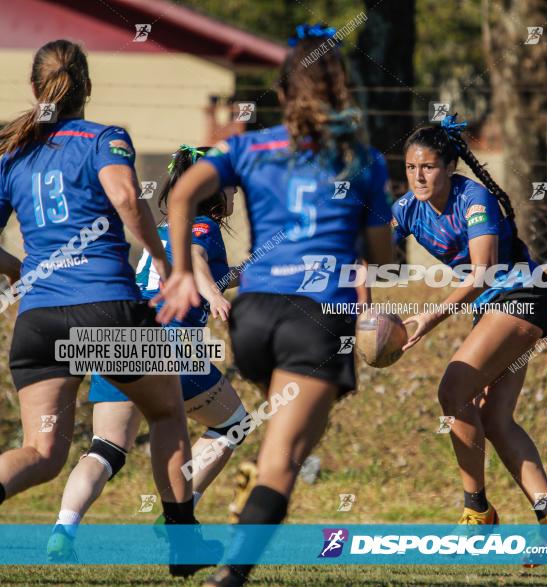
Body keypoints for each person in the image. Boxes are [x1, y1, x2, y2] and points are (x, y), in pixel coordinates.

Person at [152, 23, 392, 587]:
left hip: (256, 316)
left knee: (289, 437)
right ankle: (230, 573)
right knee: (287, 457)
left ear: (283, 93)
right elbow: (379, 255)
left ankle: (254, 489)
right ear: (342, 90)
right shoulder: (361, 158)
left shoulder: (248, 145)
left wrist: (183, 271)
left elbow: (182, 191)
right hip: (315, 317)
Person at [0, 39, 208, 576]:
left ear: (34, 88)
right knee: (166, 412)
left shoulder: (13, 153)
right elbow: (123, 198)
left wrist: (19, 271)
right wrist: (164, 260)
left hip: (39, 321)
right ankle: (184, 545)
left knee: (43, 454)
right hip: (106, 308)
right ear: (87, 87)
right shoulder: (104, 138)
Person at [46, 145, 250, 562]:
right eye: (229, 184)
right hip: (168, 345)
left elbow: (198, 268)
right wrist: (213, 293)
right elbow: (195, 260)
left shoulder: (163, 229)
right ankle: (178, 512)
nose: (234, 192)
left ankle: (63, 529)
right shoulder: (201, 226)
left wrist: (241, 276)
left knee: (105, 448)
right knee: (235, 424)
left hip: (119, 339)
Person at [394, 117, 547, 530]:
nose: (418, 176)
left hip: (523, 295)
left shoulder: (474, 199)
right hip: (493, 307)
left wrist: (430, 317)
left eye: (428, 167)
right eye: (410, 167)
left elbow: (484, 274)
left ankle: (476, 508)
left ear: (449, 167)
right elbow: (368, 256)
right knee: (494, 416)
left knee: (453, 389)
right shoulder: (406, 209)